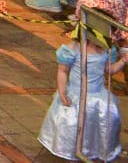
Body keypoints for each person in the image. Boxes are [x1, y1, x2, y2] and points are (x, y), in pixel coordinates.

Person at [37, 27, 124, 160]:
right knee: (73, 124)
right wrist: (62, 92)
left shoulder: (106, 50)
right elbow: (63, 71)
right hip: (76, 94)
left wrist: (123, 61)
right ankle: (71, 153)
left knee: (102, 123)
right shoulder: (74, 49)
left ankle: (94, 150)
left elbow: (109, 69)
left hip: (98, 96)